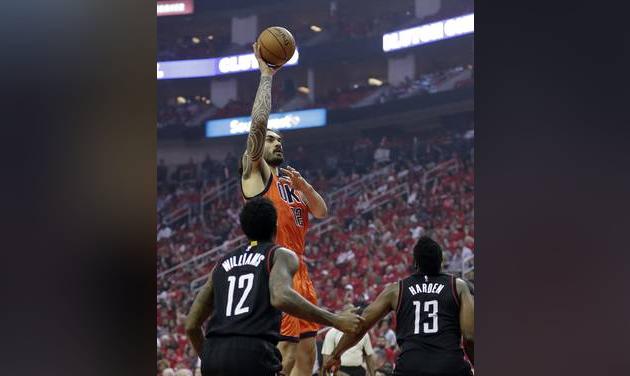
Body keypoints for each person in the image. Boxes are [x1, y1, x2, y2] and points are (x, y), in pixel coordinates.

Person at [185, 197, 362, 376]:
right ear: (276, 226)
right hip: (253, 353)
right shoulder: (279, 255)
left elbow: (191, 325)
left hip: (214, 354)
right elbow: (280, 297)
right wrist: (335, 320)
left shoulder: (220, 264)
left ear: (244, 230)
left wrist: (209, 357)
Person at [239, 42, 330, 376]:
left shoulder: (292, 183)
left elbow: (321, 212)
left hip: (300, 270)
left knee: (307, 356)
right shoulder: (255, 174)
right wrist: (266, 76)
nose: (278, 143)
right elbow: (258, 125)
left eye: (281, 140)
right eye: (272, 140)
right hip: (275, 268)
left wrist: (306, 188)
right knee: (285, 356)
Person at [321, 236, 474, 376]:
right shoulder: (458, 286)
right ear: (441, 261)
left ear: (415, 263)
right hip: (450, 366)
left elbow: (361, 325)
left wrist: (336, 354)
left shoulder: (396, 290)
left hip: (410, 367)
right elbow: (469, 336)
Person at [321, 304, 377, 376]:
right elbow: (326, 357)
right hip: (339, 370)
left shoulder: (363, 333)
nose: (351, 315)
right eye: (349, 313)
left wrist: (373, 374)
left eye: (353, 313)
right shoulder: (332, 332)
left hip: (358, 370)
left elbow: (369, 356)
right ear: (343, 314)